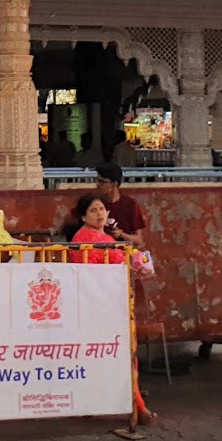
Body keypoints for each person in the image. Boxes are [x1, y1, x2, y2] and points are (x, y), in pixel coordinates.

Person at [65, 194, 153, 423]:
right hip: (100, 306)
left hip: (112, 304)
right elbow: (90, 275)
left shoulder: (104, 237)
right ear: (83, 216)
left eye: (102, 209)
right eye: (94, 210)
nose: (100, 213)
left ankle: (120, 404)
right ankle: (136, 407)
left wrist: (139, 264)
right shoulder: (85, 239)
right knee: (118, 355)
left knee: (110, 356)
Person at [95, 164, 147, 248]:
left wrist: (121, 235)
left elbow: (138, 239)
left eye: (102, 182)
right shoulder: (95, 203)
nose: (97, 185)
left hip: (123, 254)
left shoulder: (130, 205)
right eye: (97, 181)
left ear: (114, 184)